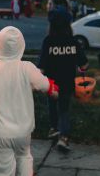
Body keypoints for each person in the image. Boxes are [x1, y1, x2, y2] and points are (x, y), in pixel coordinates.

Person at [0, 26, 59, 176]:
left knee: (2, 170)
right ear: (21, 46)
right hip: (23, 133)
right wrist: (54, 91)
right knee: (24, 158)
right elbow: (46, 86)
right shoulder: (27, 68)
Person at [38, 15, 88, 151]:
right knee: (64, 110)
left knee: (52, 105)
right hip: (67, 83)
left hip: (51, 84)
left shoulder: (48, 41)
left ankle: (53, 128)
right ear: (68, 26)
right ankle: (64, 138)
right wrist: (81, 68)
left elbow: (41, 66)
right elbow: (83, 64)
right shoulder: (73, 41)